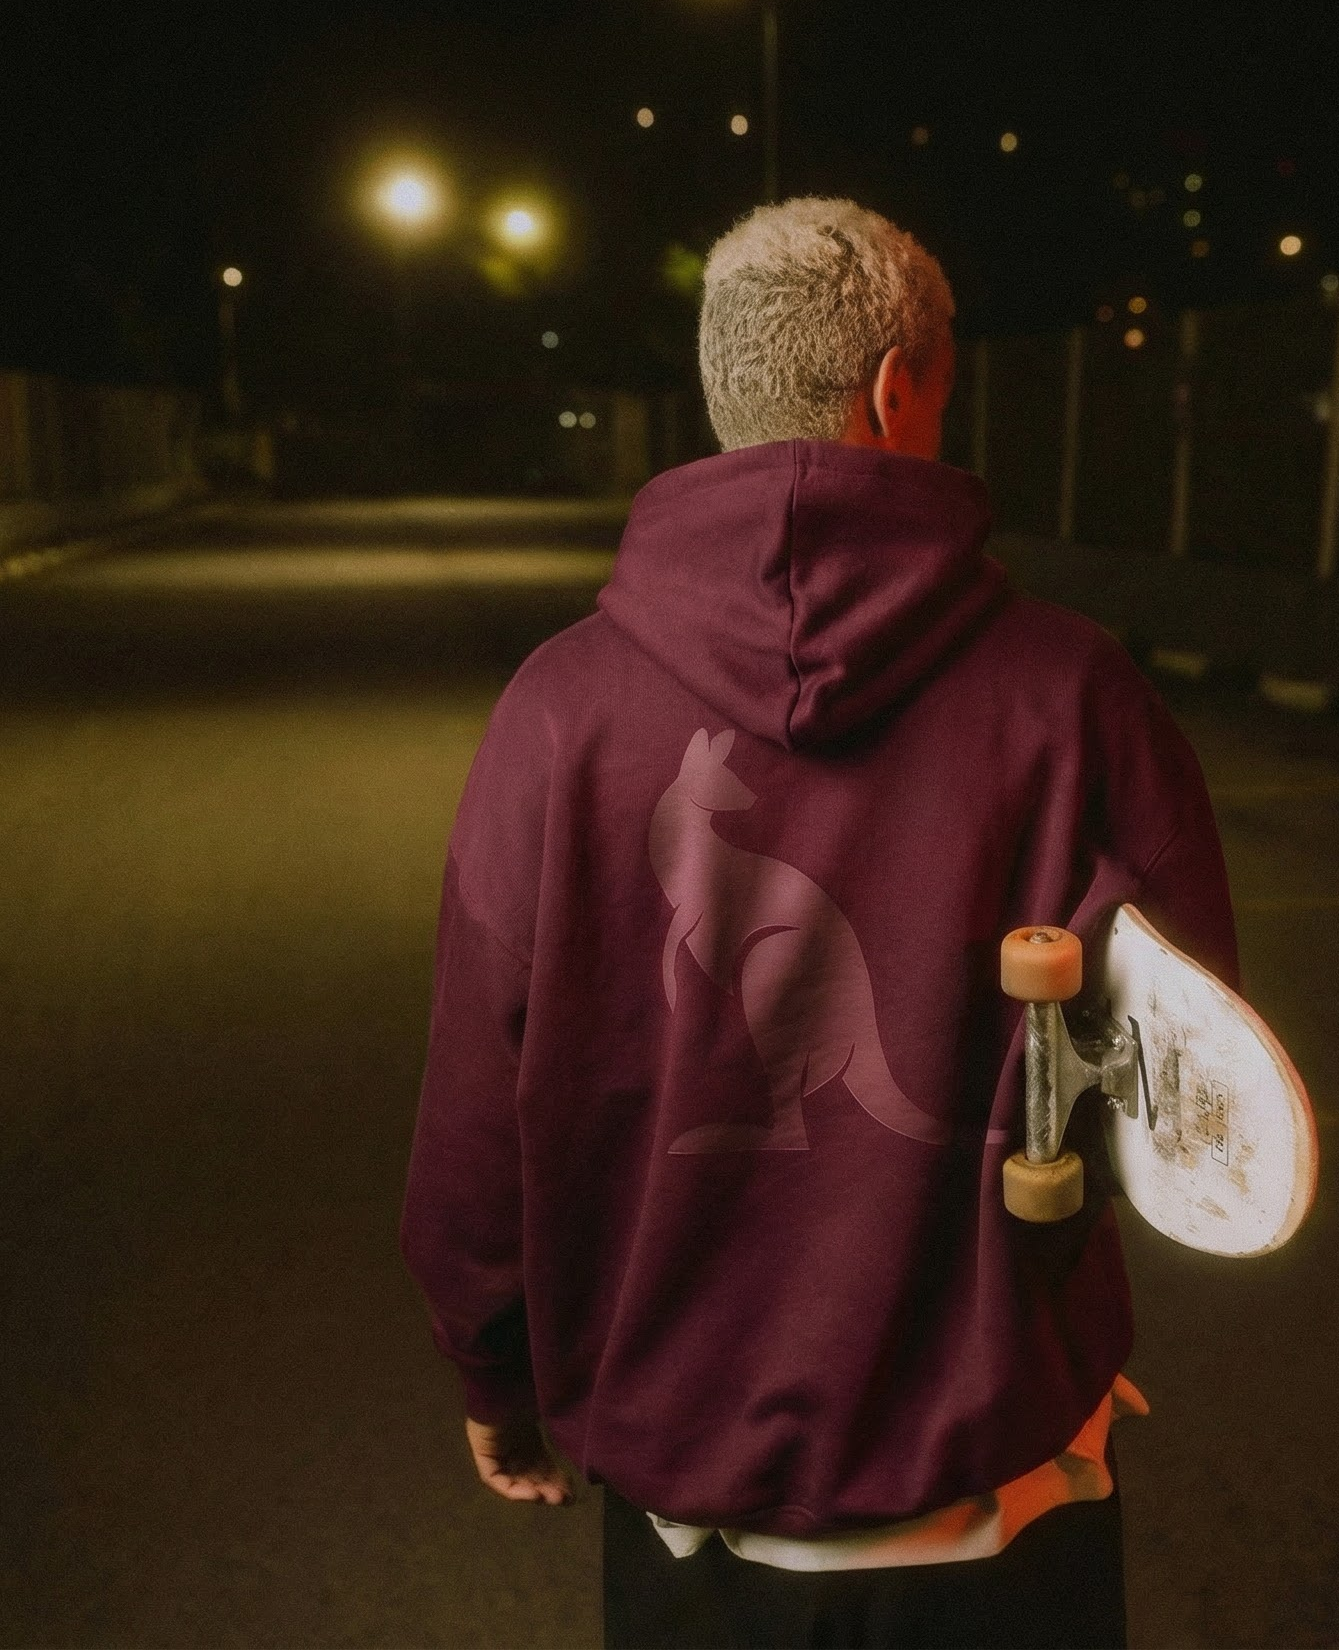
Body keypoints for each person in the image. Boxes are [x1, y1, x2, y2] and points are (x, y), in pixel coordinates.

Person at [401, 197, 1237, 1648]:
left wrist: (497, 1372)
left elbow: (481, 1102)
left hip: (693, 1515)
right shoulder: (1074, 692)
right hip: (1005, 1493)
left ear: (729, 390)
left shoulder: (561, 707)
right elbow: (1190, 1069)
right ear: (898, 388)